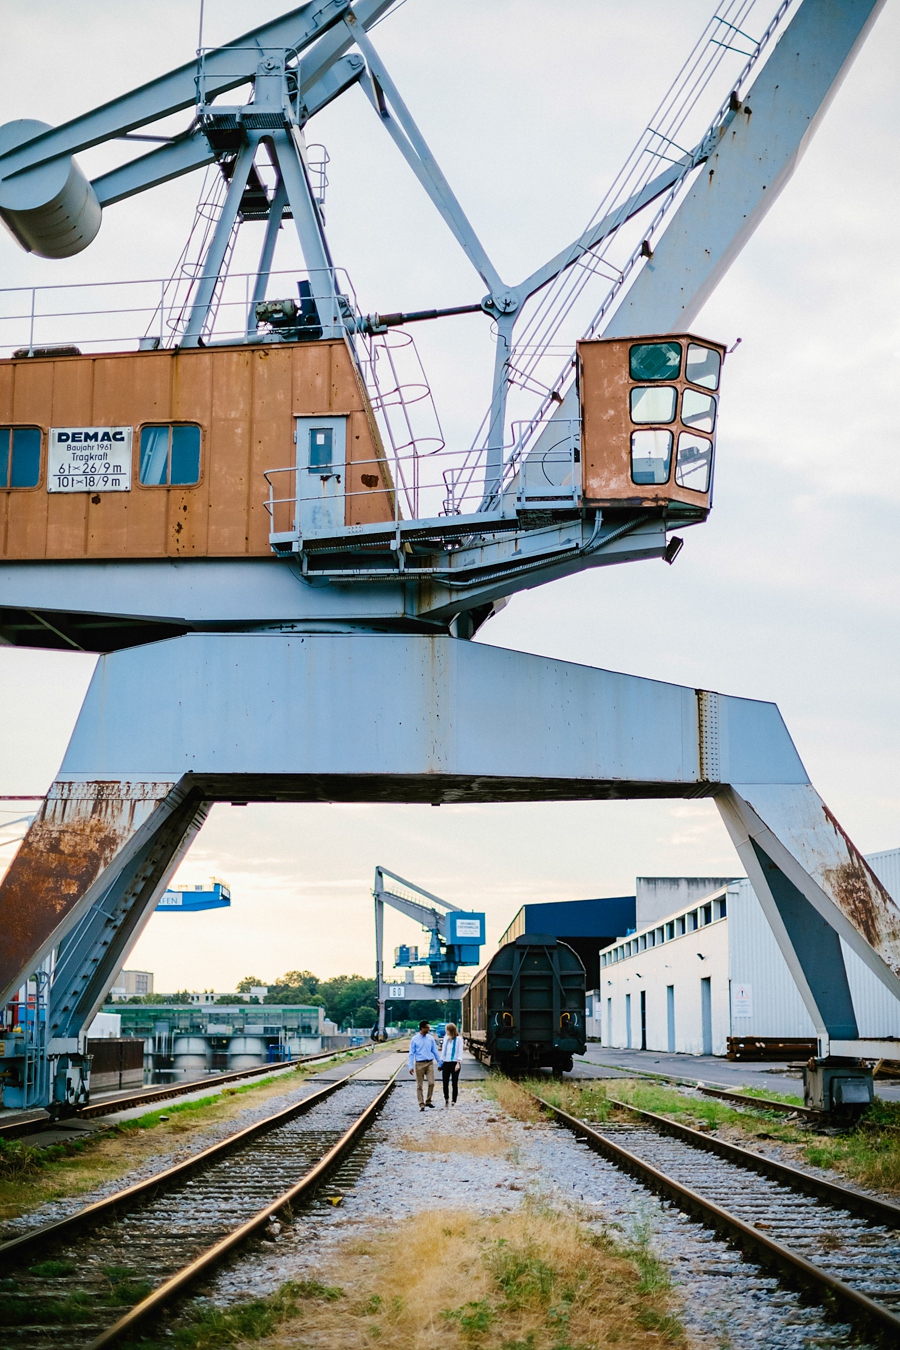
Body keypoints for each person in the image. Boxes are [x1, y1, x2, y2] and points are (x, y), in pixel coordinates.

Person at [408, 1019, 442, 1110]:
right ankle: (421, 1104)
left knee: (431, 1083)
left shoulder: (430, 1038)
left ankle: (428, 1101)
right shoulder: (414, 1039)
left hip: (429, 1063)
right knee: (419, 1085)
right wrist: (410, 1066)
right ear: (422, 1028)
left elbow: (435, 1051)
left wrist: (439, 1062)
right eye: (427, 1028)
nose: (428, 1029)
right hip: (419, 1064)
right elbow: (411, 1053)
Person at [440, 1023, 462, 1107]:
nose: (446, 1032)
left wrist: (458, 1063)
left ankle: (454, 1099)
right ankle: (446, 1098)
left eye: (447, 1030)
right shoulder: (445, 1038)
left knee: (454, 1082)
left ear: (451, 1030)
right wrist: (441, 1063)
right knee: (445, 1081)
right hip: (446, 1062)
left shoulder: (459, 1039)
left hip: (455, 1063)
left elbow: (460, 1051)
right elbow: (443, 1051)